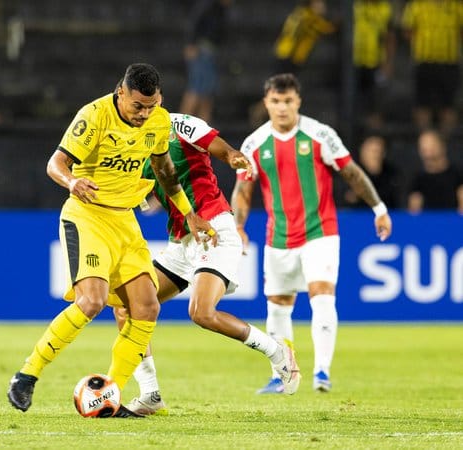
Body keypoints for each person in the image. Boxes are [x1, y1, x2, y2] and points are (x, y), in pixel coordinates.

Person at [7, 63, 213, 418]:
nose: (144, 113)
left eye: (151, 105)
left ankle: (109, 395)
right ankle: (27, 375)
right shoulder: (94, 116)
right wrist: (72, 181)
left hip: (125, 222)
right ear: (121, 93)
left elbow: (165, 171)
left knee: (147, 307)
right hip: (88, 217)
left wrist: (188, 212)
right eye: (137, 106)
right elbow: (55, 163)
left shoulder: (159, 121)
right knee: (92, 301)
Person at [113, 111, 301, 415]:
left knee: (201, 312)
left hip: (213, 229)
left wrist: (232, 156)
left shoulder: (178, 124)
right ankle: (150, 395)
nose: (139, 112)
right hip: (181, 241)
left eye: (146, 105)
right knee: (127, 306)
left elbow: (217, 146)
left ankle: (278, 352)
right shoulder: (132, 141)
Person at [231, 73, 393, 394]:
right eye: (276, 101)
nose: (282, 108)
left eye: (288, 101)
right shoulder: (253, 144)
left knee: (322, 295)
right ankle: (283, 375)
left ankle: (322, 373)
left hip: (320, 232)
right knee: (278, 305)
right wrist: (238, 226)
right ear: (266, 103)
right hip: (278, 237)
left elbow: (352, 173)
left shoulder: (320, 135)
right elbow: (243, 191)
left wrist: (379, 208)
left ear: (298, 102)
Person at [249, 0, 336, 127]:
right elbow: (327, 29)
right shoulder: (310, 17)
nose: (323, 6)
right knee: (281, 91)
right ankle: (258, 113)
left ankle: (265, 115)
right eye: (319, 3)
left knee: (284, 90)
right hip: (290, 58)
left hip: (284, 55)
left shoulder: (299, 13)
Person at [401, 0, 463, 136]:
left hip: (449, 63)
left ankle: (445, 142)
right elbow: (407, 30)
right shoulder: (417, 5)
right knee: (422, 105)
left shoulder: (457, 6)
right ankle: (426, 141)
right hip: (424, 62)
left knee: (448, 106)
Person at [179, 0, 233, 123]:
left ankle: (203, 129)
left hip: (212, 53)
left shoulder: (222, 10)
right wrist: (190, 43)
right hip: (201, 51)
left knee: (207, 93)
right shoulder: (208, 5)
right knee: (196, 89)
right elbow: (194, 23)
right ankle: (180, 128)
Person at [353, 0, 396, 130]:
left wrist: (388, 63)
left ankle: (374, 135)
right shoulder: (355, 6)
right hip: (354, 63)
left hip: (376, 63)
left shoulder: (385, 8)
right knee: (354, 103)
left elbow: (390, 37)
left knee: (375, 105)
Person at [407, 129, 463, 213]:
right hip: (427, 220)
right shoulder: (417, 180)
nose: (427, 152)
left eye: (432, 146)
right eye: (424, 148)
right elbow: (414, 212)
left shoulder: (458, 176)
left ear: (442, 146)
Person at [344, 134, 402, 209]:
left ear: (384, 153)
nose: (375, 155)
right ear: (362, 151)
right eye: (371, 151)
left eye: (378, 151)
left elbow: (398, 203)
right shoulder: (350, 174)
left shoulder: (392, 175)